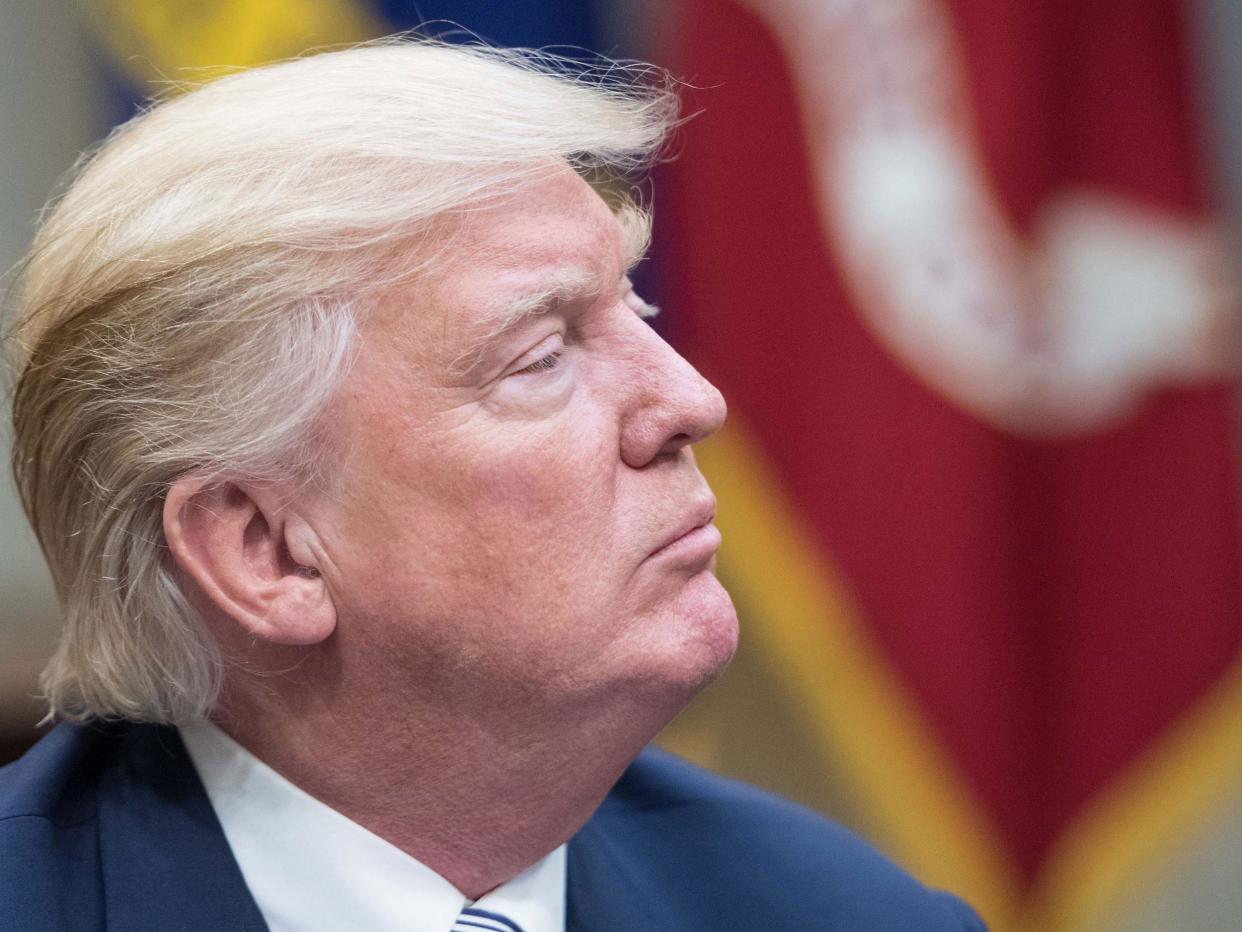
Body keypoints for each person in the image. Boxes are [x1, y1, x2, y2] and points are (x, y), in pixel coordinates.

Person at [0, 40, 984, 931]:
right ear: (264, 547)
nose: (690, 399)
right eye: (542, 353)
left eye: (634, 306)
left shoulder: (841, 911)